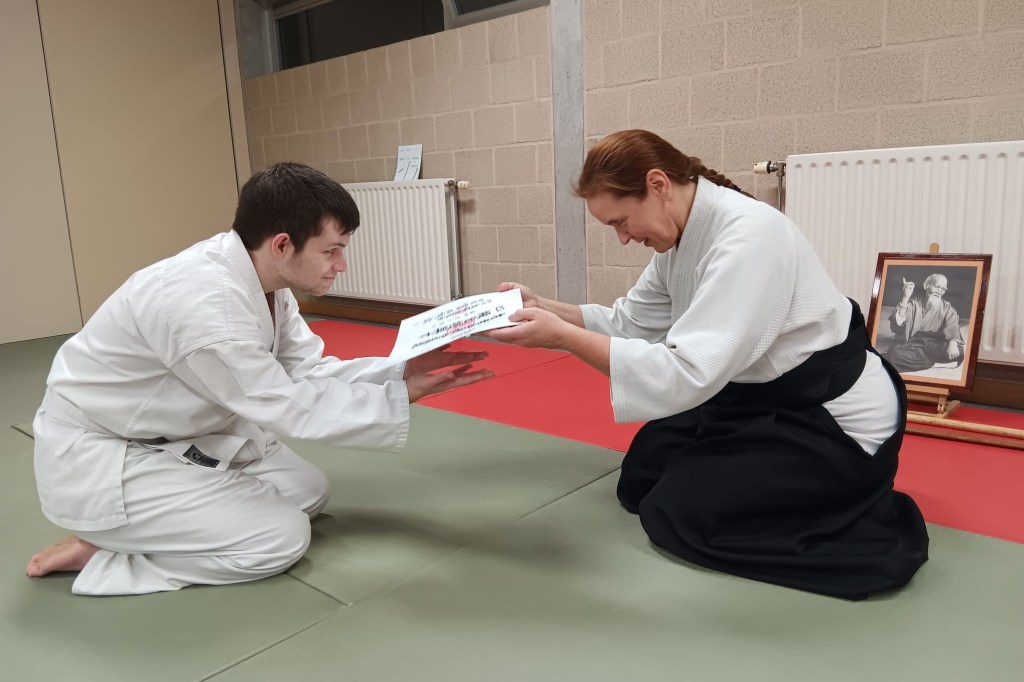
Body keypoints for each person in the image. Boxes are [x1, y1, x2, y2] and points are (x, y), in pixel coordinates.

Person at [485, 130, 929, 600]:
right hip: (757, 397)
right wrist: (545, 308)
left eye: (621, 221)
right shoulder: (680, 239)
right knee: (641, 478)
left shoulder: (749, 237)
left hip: (829, 418)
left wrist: (563, 338)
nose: (623, 238)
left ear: (658, 184)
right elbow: (630, 323)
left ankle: (842, 496)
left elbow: (688, 373)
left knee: (676, 512)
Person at [25, 162, 493, 596]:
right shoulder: (207, 307)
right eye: (331, 251)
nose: (341, 265)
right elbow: (281, 403)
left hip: (171, 432)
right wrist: (401, 396)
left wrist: (399, 371)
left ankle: (148, 531)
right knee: (280, 538)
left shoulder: (263, 281)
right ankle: (109, 559)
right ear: (282, 244)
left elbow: (307, 370)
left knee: (308, 491)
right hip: (105, 452)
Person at [884, 274, 964, 372]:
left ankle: (916, 360)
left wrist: (952, 344)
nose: (939, 292)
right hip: (913, 343)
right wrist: (905, 297)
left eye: (943, 289)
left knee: (959, 351)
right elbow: (896, 326)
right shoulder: (913, 304)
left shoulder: (947, 307)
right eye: (937, 287)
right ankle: (935, 364)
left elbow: (953, 326)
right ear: (926, 285)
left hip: (935, 343)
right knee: (895, 353)